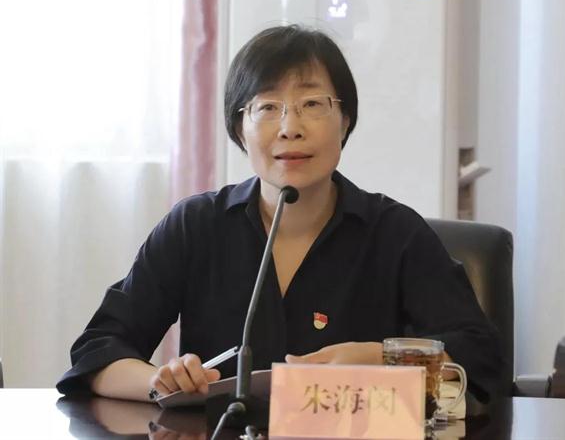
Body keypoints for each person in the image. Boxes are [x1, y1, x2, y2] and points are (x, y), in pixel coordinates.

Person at [57, 25, 503, 403]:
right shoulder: (196, 226)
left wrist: (381, 358)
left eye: (313, 105)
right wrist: (160, 381)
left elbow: (480, 359)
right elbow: (98, 351)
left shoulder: (395, 232)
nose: (291, 127)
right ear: (240, 129)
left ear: (345, 121)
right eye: (268, 107)